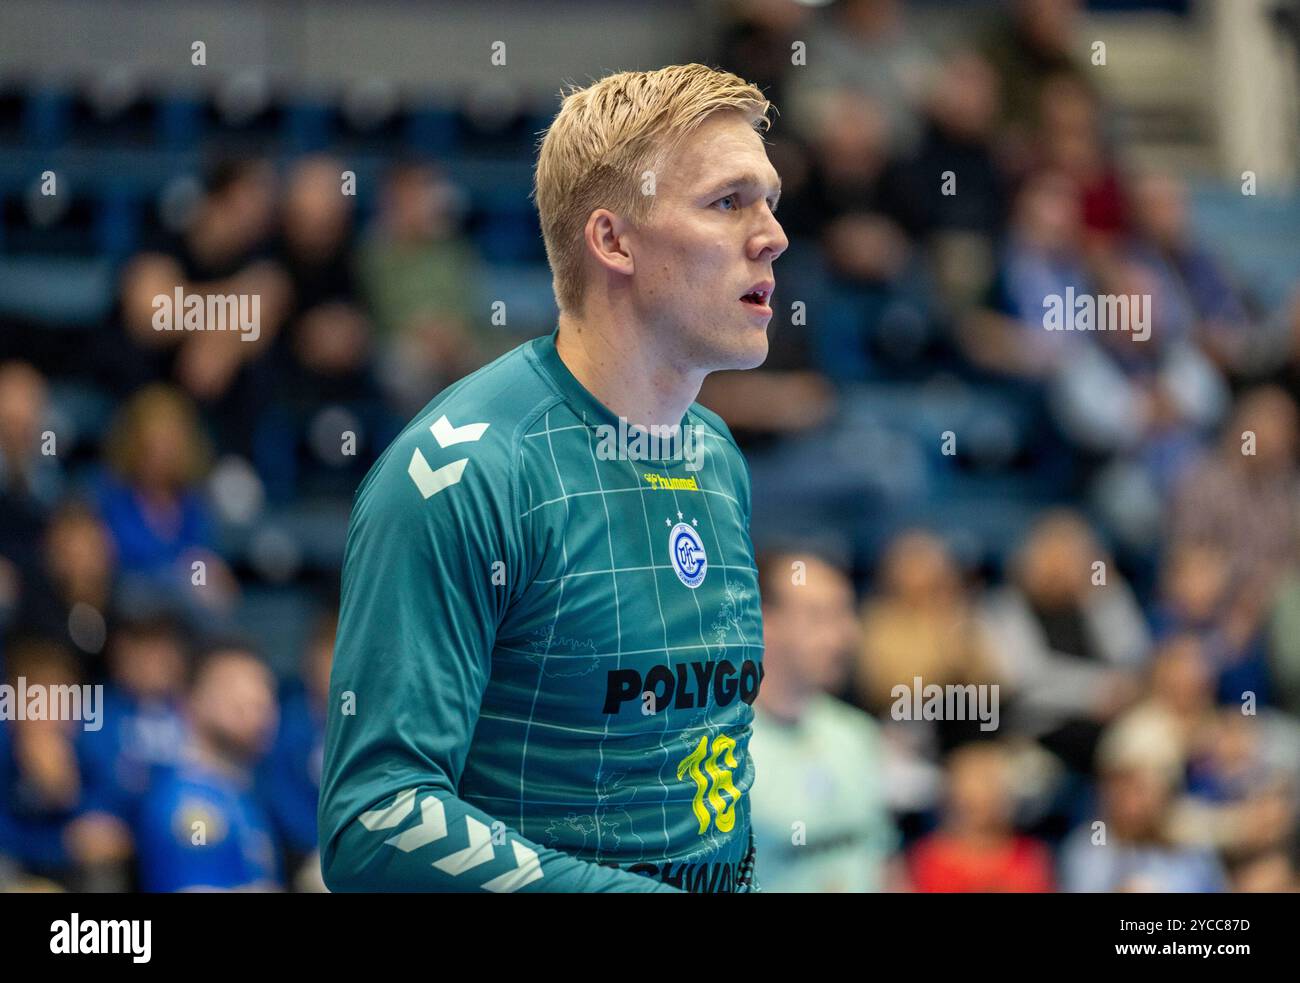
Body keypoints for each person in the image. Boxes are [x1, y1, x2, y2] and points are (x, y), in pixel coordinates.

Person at [319, 64, 788, 892]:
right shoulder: (462, 473)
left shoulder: (713, 454)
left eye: (769, 201)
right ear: (613, 241)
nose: (772, 235)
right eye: (727, 202)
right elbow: (376, 819)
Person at [747, 549, 898, 892]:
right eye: (820, 617)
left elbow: (885, 861)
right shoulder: (725, 750)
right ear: (762, 621)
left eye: (846, 614)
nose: (845, 635)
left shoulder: (858, 733)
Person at [136, 644, 280, 892]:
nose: (257, 702)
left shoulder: (241, 791)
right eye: (234, 688)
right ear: (191, 701)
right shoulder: (185, 802)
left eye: (264, 689)